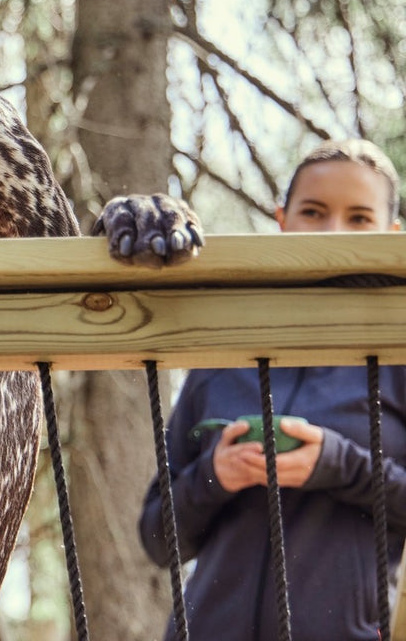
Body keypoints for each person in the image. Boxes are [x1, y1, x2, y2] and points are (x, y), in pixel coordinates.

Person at [138, 138, 405, 640]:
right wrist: (214, 476)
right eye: (313, 212)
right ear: (282, 219)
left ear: (392, 234)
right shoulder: (224, 356)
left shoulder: (399, 357)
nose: (332, 233)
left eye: (359, 218)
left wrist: (338, 464)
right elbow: (155, 538)